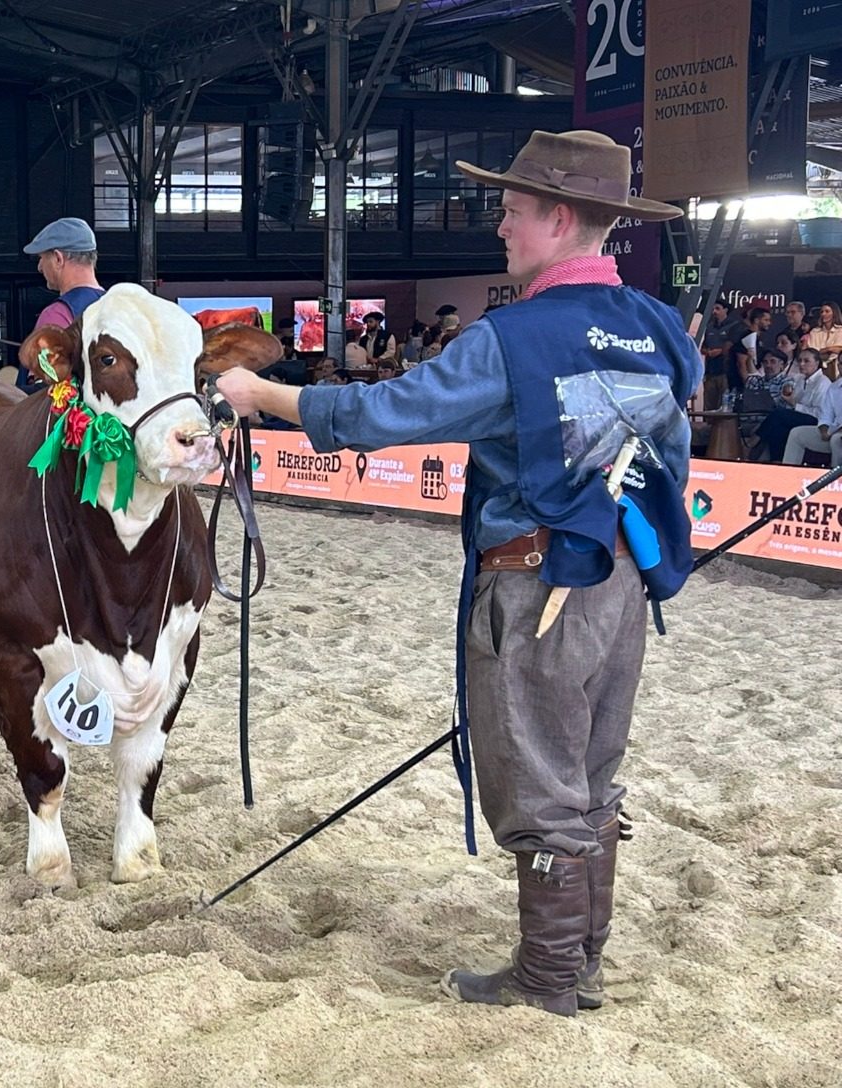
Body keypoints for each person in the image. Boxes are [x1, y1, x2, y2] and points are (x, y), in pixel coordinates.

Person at [217, 129, 698, 1018]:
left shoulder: (510, 338)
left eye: (512, 213)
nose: (500, 230)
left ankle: (549, 978)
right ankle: (579, 963)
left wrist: (267, 397)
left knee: (538, 777)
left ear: (558, 219)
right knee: (593, 775)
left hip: (534, 587)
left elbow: (383, 412)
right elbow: (671, 454)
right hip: (623, 583)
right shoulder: (661, 327)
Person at [19, 216, 105, 392]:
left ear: (58, 259)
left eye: (42, 258)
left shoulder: (58, 314)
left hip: (70, 419)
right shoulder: (116, 306)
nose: (40, 267)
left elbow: (45, 388)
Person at [757, 347, 833, 461]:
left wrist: (795, 405)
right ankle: (777, 461)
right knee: (778, 426)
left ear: (817, 363)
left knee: (778, 415)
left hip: (817, 420)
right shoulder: (798, 379)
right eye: (800, 360)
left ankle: (755, 439)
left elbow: (819, 413)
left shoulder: (823, 383)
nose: (802, 364)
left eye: (806, 361)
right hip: (798, 415)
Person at [782, 375, 842, 467]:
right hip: (833, 430)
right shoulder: (834, 387)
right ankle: (788, 476)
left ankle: (835, 479)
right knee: (797, 434)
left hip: (837, 434)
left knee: (836, 440)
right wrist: (824, 429)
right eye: (841, 363)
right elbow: (826, 416)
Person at [699, 298, 735, 409]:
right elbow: (703, 348)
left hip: (725, 371)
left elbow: (734, 346)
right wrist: (708, 352)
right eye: (713, 309)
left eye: (718, 309)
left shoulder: (733, 326)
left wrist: (719, 351)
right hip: (710, 372)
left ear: (726, 310)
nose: (714, 312)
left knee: (724, 406)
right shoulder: (709, 327)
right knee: (709, 406)